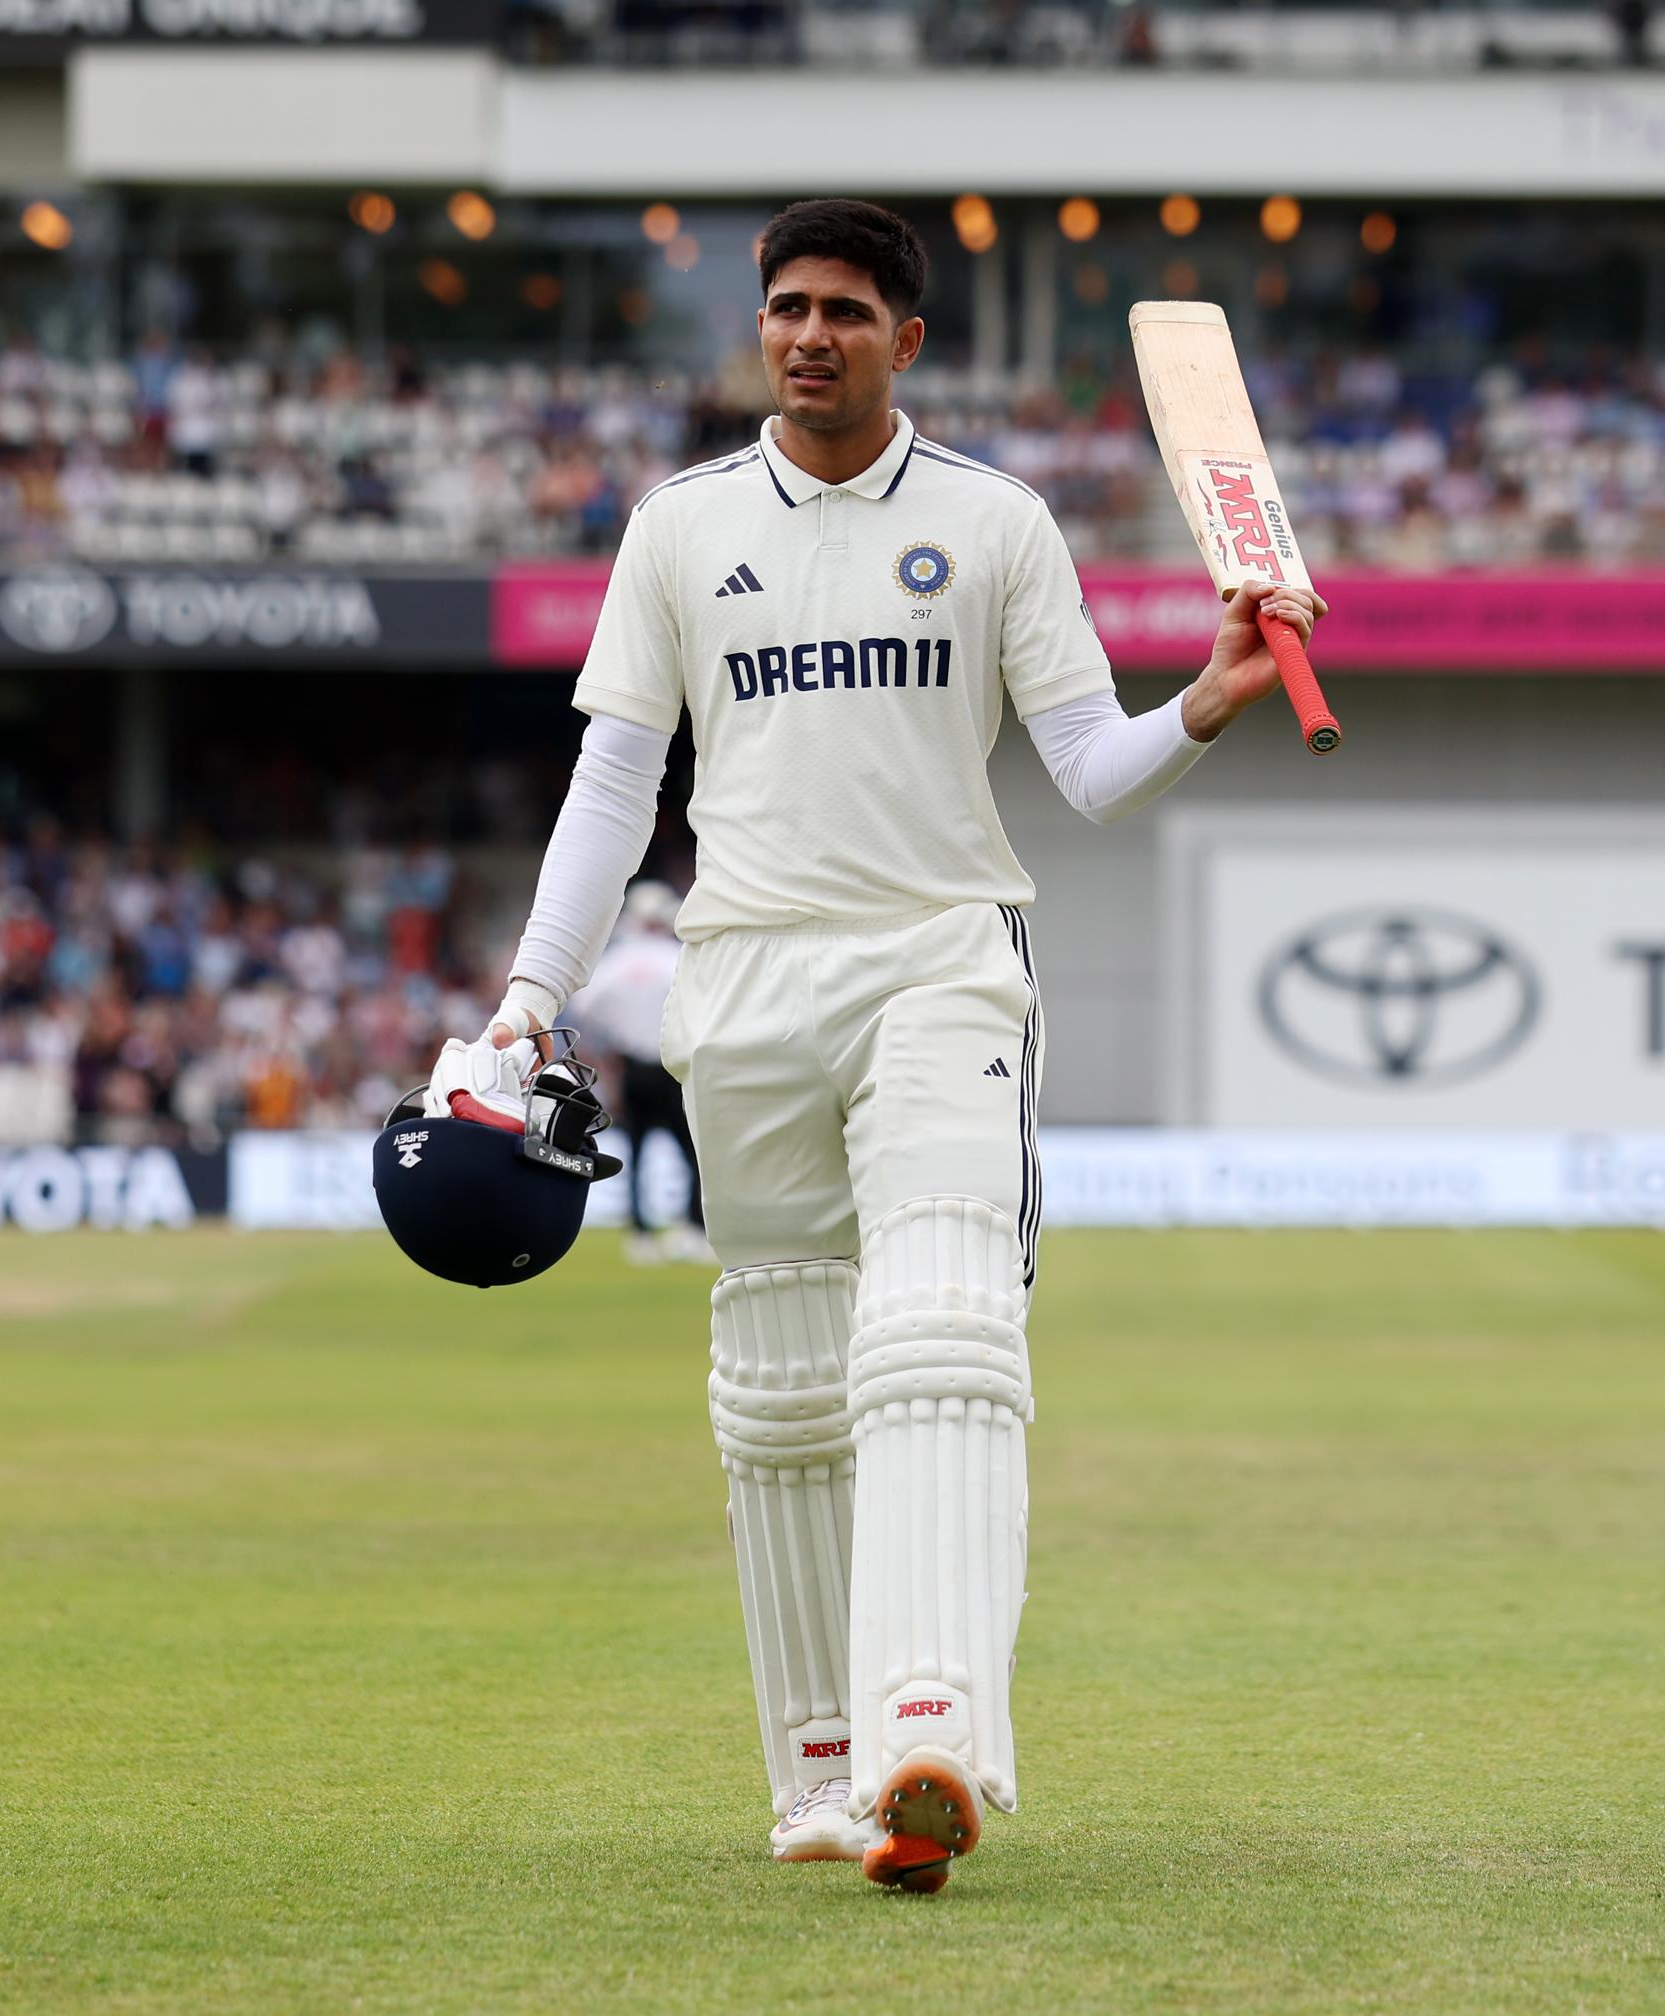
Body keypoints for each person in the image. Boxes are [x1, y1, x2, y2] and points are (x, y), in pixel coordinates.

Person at [431, 199, 1323, 1893]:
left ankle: (936, 1729)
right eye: (787, 307)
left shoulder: (995, 522)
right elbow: (614, 789)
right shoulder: (680, 528)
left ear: (907, 341)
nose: (810, 335)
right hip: (742, 977)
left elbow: (1086, 767)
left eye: (845, 310)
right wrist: (531, 995)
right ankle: (825, 1775)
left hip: (937, 961)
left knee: (938, 1331)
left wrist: (1206, 701)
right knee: (780, 1392)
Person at [567, 880, 709, 1265]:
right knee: (692, 1149)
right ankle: (692, 1227)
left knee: (637, 1151)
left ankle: (640, 1233)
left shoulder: (616, 962)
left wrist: (615, 1037)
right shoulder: (676, 956)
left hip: (631, 1065)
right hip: (671, 1064)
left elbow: (585, 1006)